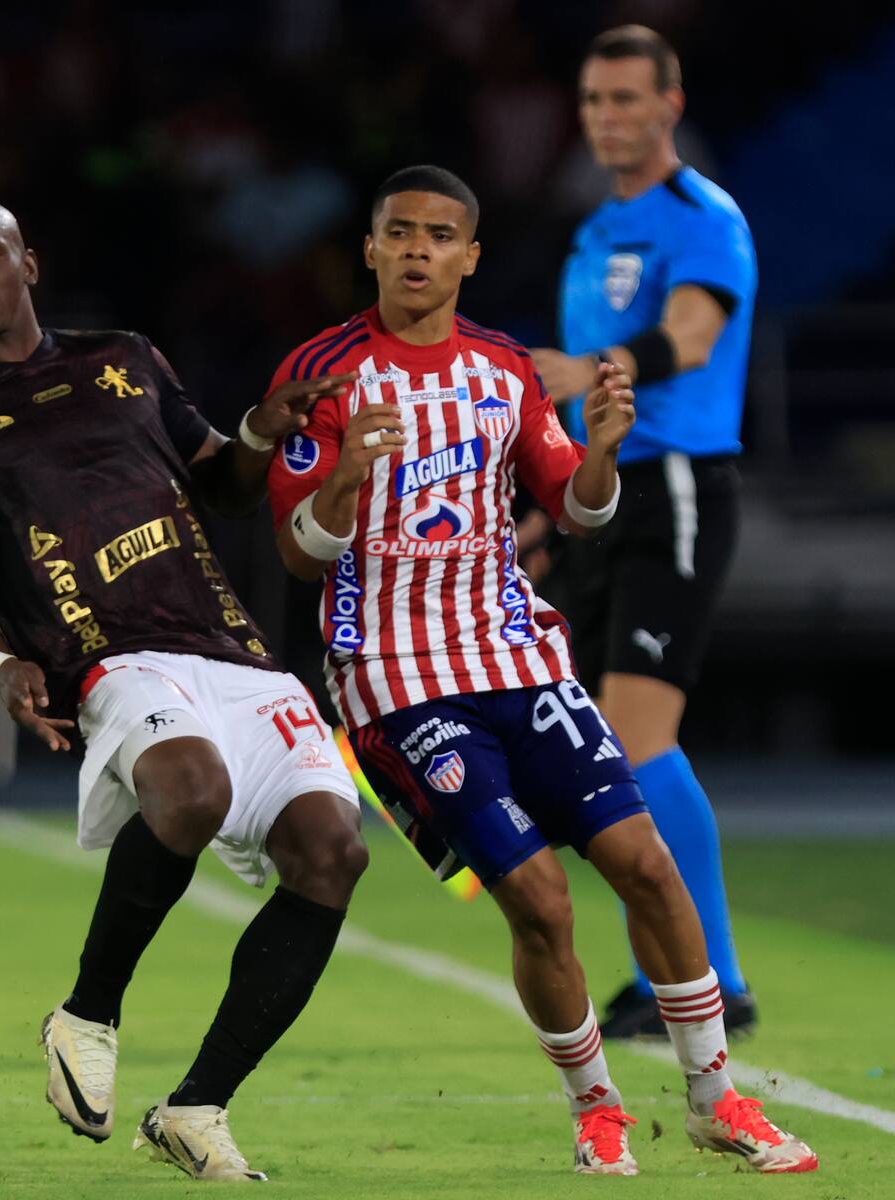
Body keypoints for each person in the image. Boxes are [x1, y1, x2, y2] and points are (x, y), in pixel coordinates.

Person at [266, 165, 815, 1175]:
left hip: (517, 654)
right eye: (402, 232)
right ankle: (595, 1107)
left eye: (441, 234)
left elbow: (576, 509)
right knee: (540, 898)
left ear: (470, 255)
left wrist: (602, 453)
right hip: (395, 680)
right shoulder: (325, 374)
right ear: (374, 249)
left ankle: (713, 1097)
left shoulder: (504, 370)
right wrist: (344, 476)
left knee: (644, 863)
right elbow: (300, 553)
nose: (420, 249)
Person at [0, 195, 368, 1183]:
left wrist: (261, 433)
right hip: (106, 656)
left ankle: (197, 1108)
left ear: (29, 261)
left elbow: (222, 487)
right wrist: (1, 664)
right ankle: (87, 1014)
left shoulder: (128, 359)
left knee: (333, 850)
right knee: (191, 791)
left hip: (230, 648)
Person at [529, 25, 758, 1040]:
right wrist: (555, 508)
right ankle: (677, 974)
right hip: (609, 493)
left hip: (678, 484)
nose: (607, 118)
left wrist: (592, 370)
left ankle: (713, 979)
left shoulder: (701, 216)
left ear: (669, 105)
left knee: (636, 739)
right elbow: (589, 411)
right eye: (592, 101)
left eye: (626, 99)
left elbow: (697, 337)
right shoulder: (592, 232)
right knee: (601, 753)